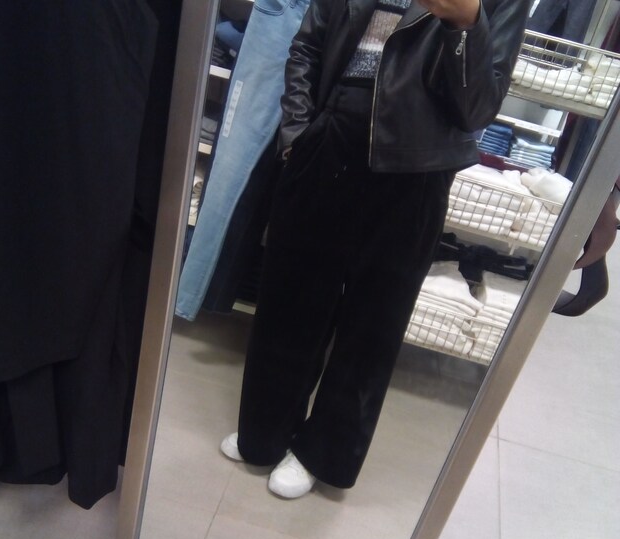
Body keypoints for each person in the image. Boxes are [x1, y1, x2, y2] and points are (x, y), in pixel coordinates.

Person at [221, 0, 531, 498]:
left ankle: (322, 453)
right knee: (288, 300)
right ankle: (264, 432)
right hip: (327, 138)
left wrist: (465, 24)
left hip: (417, 166)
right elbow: (307, 45)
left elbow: (478, 108)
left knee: (373, 322)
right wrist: (297, 134)